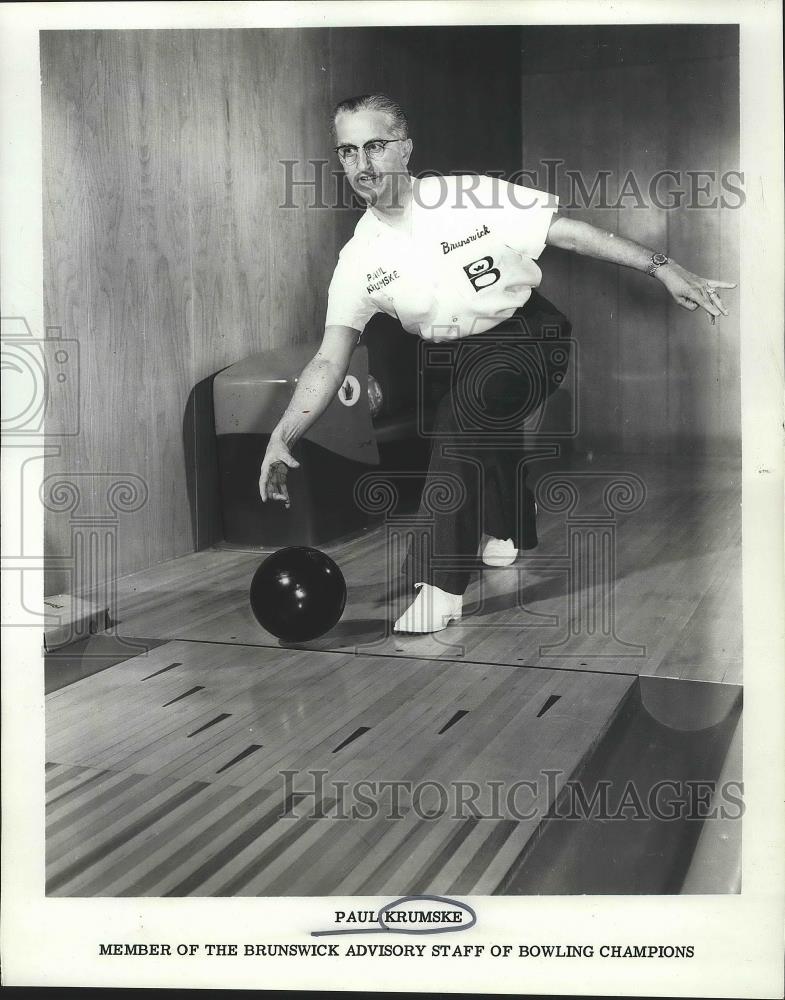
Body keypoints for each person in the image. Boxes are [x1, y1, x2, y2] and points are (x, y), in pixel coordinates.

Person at [259, 93, 735, 634]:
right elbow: (328, 357)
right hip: (453, 353)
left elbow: (568, 233)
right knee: (475, 418)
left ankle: (440, 586)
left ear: (406, 149)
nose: (363, 165)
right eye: (348, 152)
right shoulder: (358, 258)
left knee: (462, 421)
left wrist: (662, 265)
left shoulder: (467, 197)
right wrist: (284, 435)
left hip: (529, 334)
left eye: (375, 146)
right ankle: (508, 525)